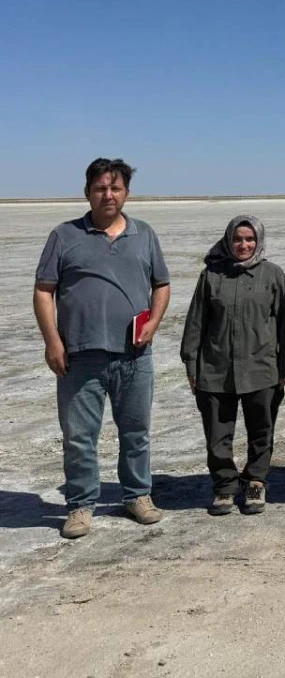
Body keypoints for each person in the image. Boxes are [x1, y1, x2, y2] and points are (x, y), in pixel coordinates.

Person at [34, 158, 170, 538]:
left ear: (126, 193)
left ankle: (137, 495)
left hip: (134, 355)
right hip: (79, 356)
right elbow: (44, 291)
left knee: (136, 431)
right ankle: (80, 505)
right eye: (100, 188)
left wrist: (154, 323)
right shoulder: (64, 236)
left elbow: (161, 284)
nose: (108, 195)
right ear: (88, 192)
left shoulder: (144, 234)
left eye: (115, 188)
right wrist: (52, 341)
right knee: (79, 437)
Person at [180, 215, 285, 516]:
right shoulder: (211, 275)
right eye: (237, 239)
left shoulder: (272, 274)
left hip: (262, 367)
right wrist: (191, 364)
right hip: (215, 369)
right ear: (228, 241)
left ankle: (256, 481)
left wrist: (284, 366)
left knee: (262, 430)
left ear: (259, 241)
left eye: (249, 239)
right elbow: (195, 322)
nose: (243, 245)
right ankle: (225, 486)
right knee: (217, 435)